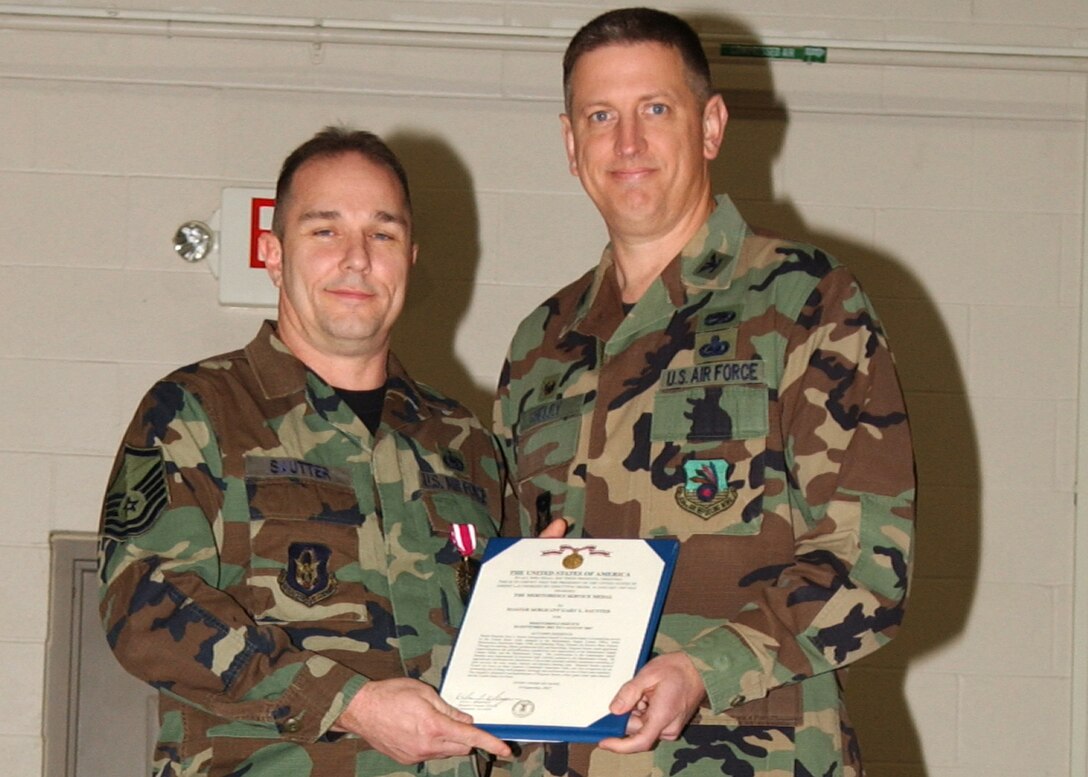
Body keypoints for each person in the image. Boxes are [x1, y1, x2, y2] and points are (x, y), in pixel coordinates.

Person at [494, 8, 915, 777]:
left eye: (656, 109)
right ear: (570, 144)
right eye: (600, 116)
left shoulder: (806, 302)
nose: (628, 143)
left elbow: (870, 570)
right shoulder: (540, 345)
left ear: (711, 125)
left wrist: (701, 669)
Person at [98, 126, 536, 777]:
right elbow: (143, 602)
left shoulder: (463, 442)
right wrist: (350, 703)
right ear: (273, 254)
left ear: (410, 257)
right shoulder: (200, 412)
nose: (357, 258)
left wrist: (546, 589)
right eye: (325, 230)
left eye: (382, 234)